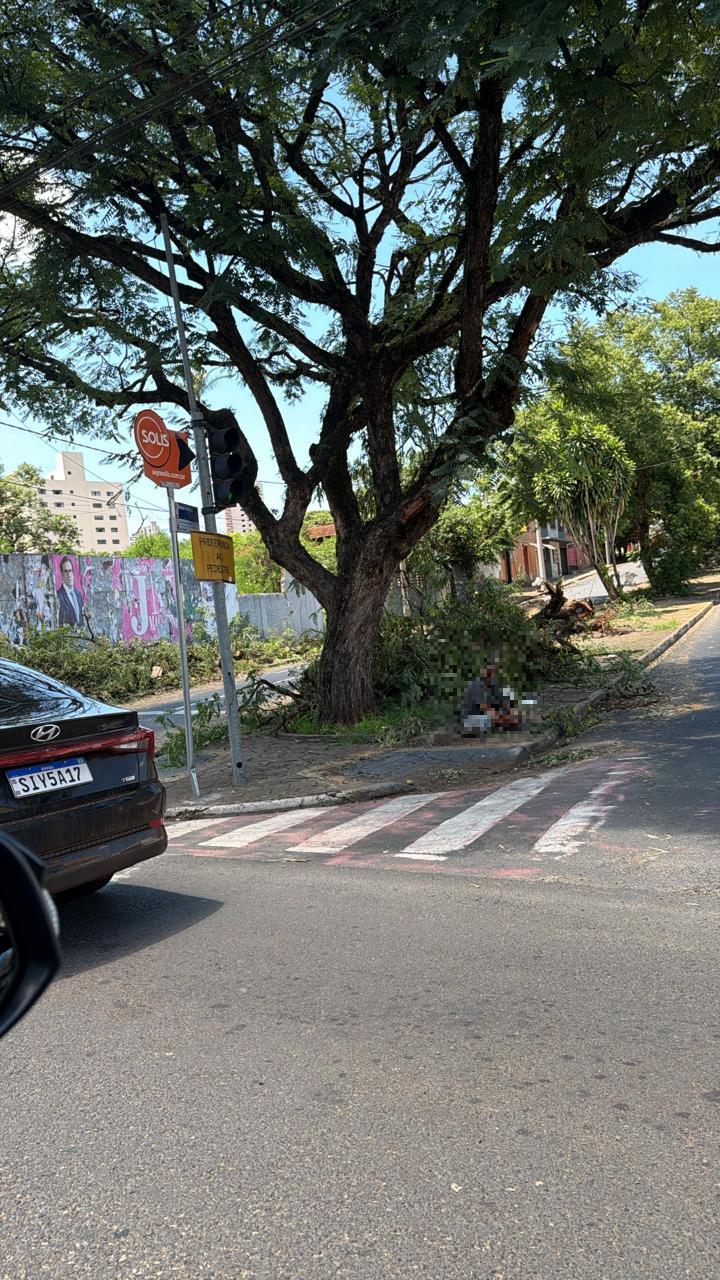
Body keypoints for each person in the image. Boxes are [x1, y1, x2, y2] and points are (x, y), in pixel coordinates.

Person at [460, 660, 521, 736]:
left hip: (485, 717)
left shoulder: (493, 686)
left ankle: (507, 723)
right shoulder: (476, 685)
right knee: (492, 715)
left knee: (508, 691)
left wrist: (511, 709)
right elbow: (483, 707)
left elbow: (503, 700)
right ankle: (507, 723)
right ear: (483, 671)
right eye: (488, 671)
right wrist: (504, 716)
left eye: (492, 672)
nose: (490, 674)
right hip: (470, 719)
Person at [56, 557, 85, 628]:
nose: (69, 575)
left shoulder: (78, 594)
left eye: (70, 571)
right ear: (62, 574)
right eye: (66, 571)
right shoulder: (58, 596)